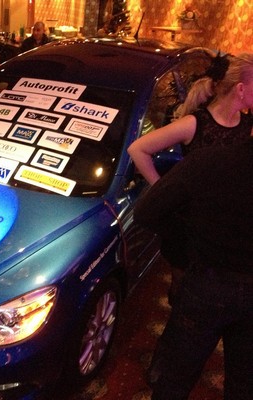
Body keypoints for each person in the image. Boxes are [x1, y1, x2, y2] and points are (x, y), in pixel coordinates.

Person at [132, 52, 253, 399]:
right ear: (240, 89)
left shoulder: (237, 136)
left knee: (182, 369)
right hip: (203, 255)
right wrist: (171, 197)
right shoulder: (199, 128)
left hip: (215, 270)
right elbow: (139, 150)